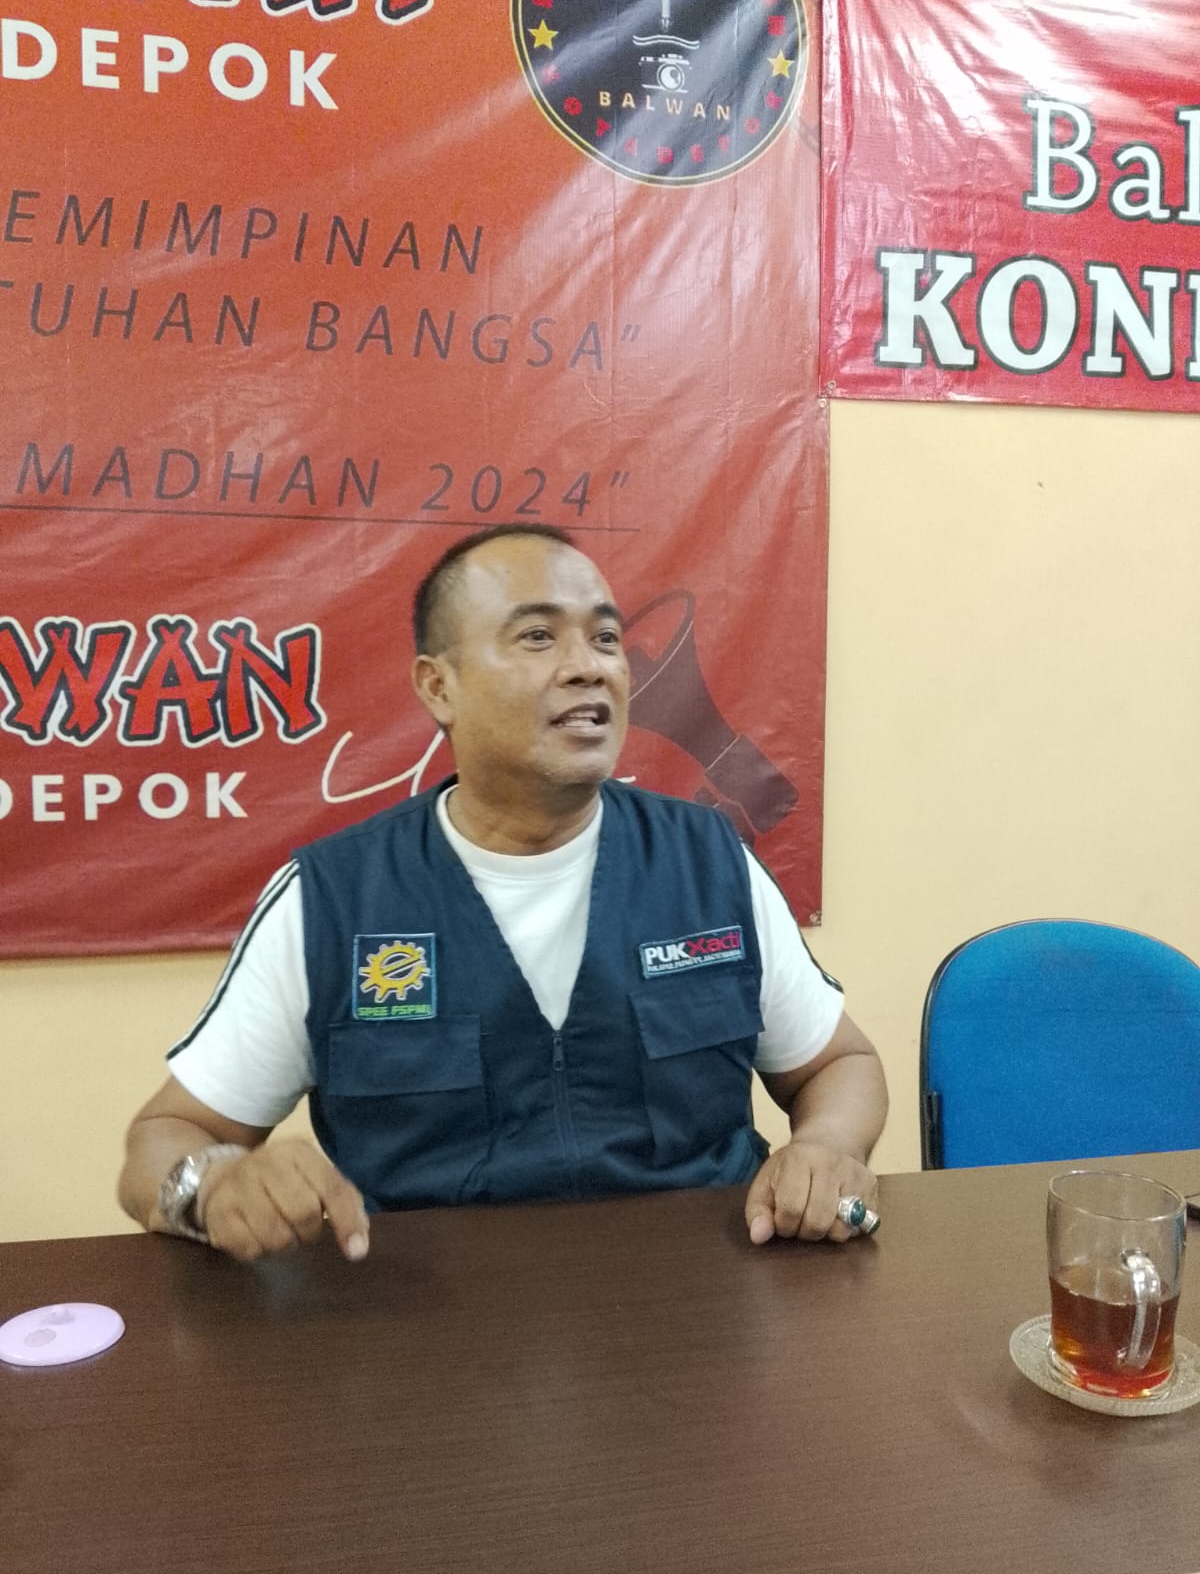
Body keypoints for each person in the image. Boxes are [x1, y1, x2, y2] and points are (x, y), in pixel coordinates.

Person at [118, 525, 888, 1262]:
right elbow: (164, 1140)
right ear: (438, 687)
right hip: (426, 1321)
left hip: (700, 1304)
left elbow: (839, 1063)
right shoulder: (333, 900)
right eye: (538, 636)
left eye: (607, 638)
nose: (590, 667)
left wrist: (827, 1145)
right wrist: (212, 1185)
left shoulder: (708, 862)